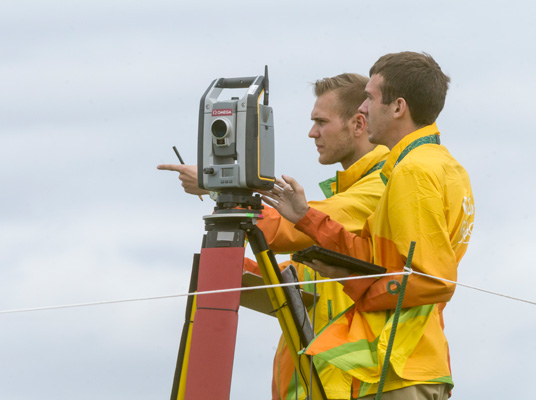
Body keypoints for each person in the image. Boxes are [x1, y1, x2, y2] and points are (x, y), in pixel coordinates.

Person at [159, 73, 389, 399]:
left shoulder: (380, 186)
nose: (312, 133)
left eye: (321, 122)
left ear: (358, 124)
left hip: (341, 385)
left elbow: (294, 229)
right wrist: (235, 273)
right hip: (315, 381)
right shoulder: (346, 192)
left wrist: (221, 184)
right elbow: (307, 281)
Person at [262, 52, 474, 400]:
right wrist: (307, 219)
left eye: (370, 98)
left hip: (395, 367)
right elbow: (384, 258)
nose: (362, 108)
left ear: (398, 107)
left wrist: (358, 284)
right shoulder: (440, 166)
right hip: (403, 366)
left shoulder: (414, 172)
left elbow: (430, 279)